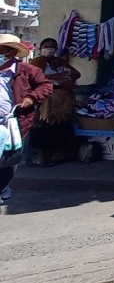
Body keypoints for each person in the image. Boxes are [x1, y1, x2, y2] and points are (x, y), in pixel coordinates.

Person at [0, 33, 53, 202]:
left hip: (14, 122)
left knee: (10, 159)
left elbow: (46, 85)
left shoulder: (26, 70)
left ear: (11, 53)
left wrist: (31, 98)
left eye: (2, 52)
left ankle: (2, 187)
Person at [28, 37, 81, 166]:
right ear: (41, 49)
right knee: (43, 127)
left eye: (52, 47)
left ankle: (57, 154)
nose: (49, 49)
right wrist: (54, 77)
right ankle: (42, 157)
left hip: (61, 101)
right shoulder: (37, 62)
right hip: (45, 101)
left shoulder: (59, 61)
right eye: (46, 47)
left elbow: (77, 74)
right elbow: (31, 77)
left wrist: (67, 74)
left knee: (59, 127)